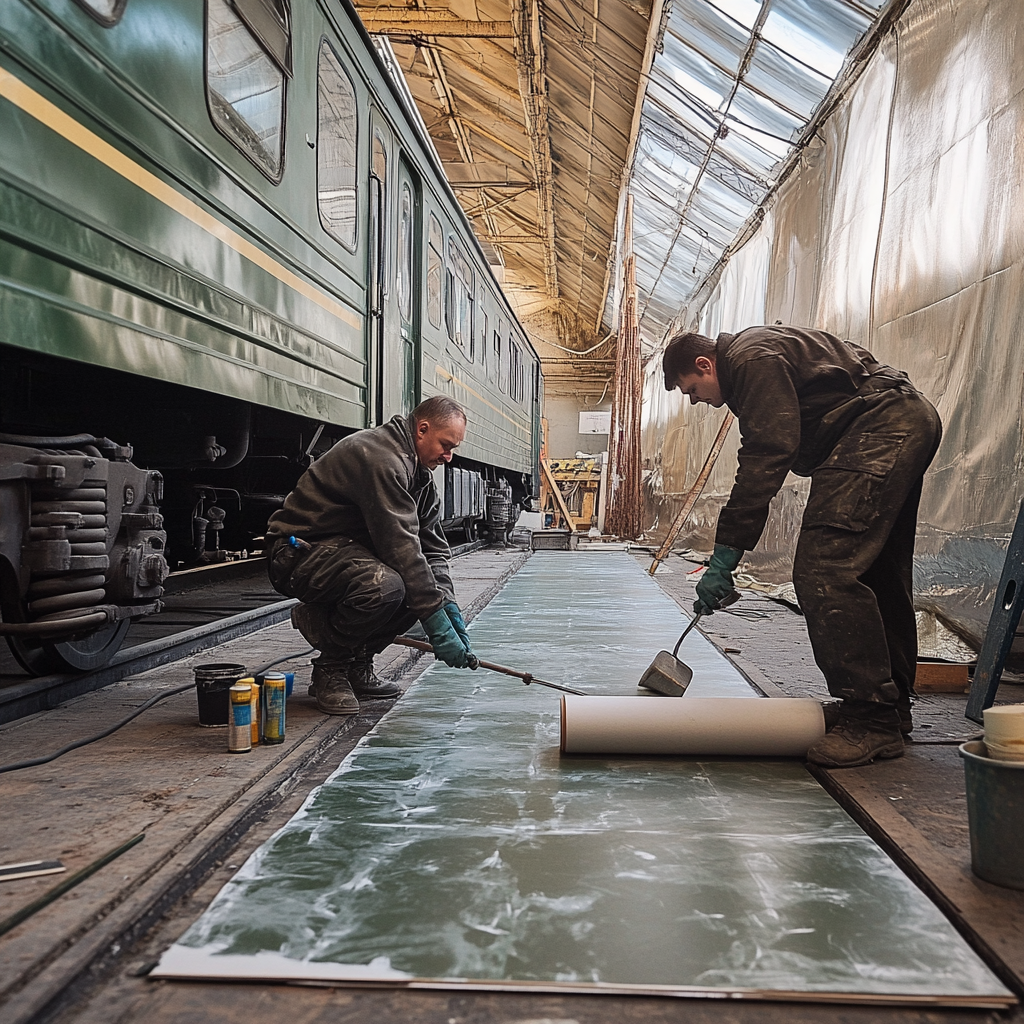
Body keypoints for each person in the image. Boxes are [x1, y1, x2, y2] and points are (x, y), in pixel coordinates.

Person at [663, 325, 942, 768]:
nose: (696, 401)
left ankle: (870, 718)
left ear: (704, 364)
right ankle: (887, 707)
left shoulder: (749, 359)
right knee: (875, 572)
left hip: (879, 430)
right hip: (898, 422)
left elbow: (768, 452)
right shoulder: (753, 356)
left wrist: (727, 553)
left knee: (824, 569)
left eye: (692, 390)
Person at [265, 396, 477, 715]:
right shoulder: (382, 458)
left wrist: (448, 607)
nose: (448, 457)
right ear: (422, 429)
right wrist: (436, 622)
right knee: (386, 586)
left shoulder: (421, 480)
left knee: (420, 593)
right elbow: (402, 549)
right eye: (446, 445)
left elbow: (432, 549)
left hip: (346, 554)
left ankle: (357, 665)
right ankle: (331, 669)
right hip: (299, 553)